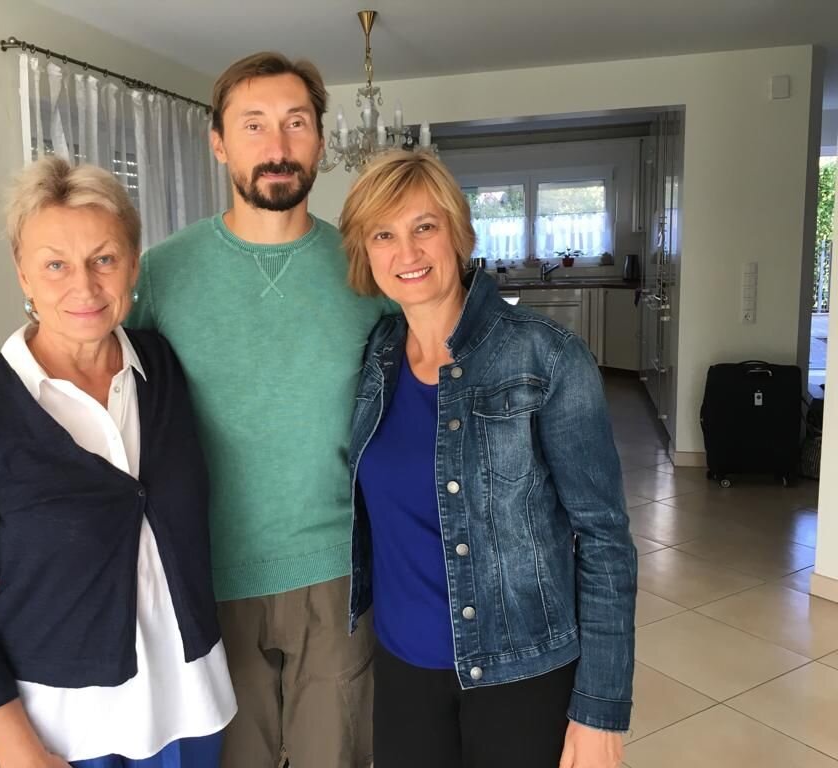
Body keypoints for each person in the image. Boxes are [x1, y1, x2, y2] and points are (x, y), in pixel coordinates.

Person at [0, 157, 236, 768]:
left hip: (187, 697)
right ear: (23, 274)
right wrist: (21, 753)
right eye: (55, 264)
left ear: (133, 264)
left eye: (103, 259)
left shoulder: (163, 368)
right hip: (61, 724)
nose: (84, 287)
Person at [127, 53, 388, 768]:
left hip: (337, 574)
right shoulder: (161, 274)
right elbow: (100, 401)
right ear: (219, 143)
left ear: (321, 140)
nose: (277, 146)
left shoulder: (368, 267)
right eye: (254, 125)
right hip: (206, 574)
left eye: (295, 123)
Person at [339, 150, 637, 768]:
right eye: (383, 235)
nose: (407, 252)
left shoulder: (546, 356)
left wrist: (599, 711)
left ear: (459, 233)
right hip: (403, 673)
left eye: (425, 226)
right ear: (366, 253)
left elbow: (604, 539)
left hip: (521, 675)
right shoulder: (376, 356)